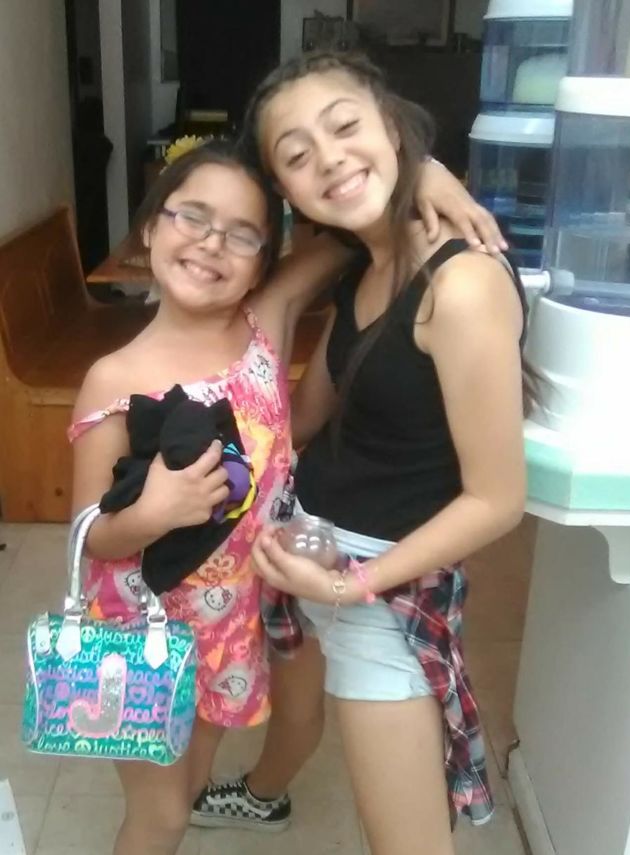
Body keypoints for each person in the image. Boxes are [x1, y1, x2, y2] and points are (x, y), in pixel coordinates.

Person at [70, 134, 503, 855]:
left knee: (194, 777)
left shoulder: (263, 322)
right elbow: (89, 532)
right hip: (140, 632)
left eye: (243, 233)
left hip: (231, 626)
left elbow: (352, 225)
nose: (212, 243)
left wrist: (424, 172)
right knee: (162, 814)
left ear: (265, 261)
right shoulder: (112, 377)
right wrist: (151, 513)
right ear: (149, 227)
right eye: (191, 216)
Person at [194, 51, 530, 855]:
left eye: (346, 126)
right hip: (305, 545)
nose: (331, 158)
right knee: (296, 712)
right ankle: (264, 795)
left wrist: (352, 586)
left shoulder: (461, 287)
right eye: (297, 155)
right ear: (285, 192)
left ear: (393, 124)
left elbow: (497, 499)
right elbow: (310, 413)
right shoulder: (366, 262)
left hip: (380, 589)